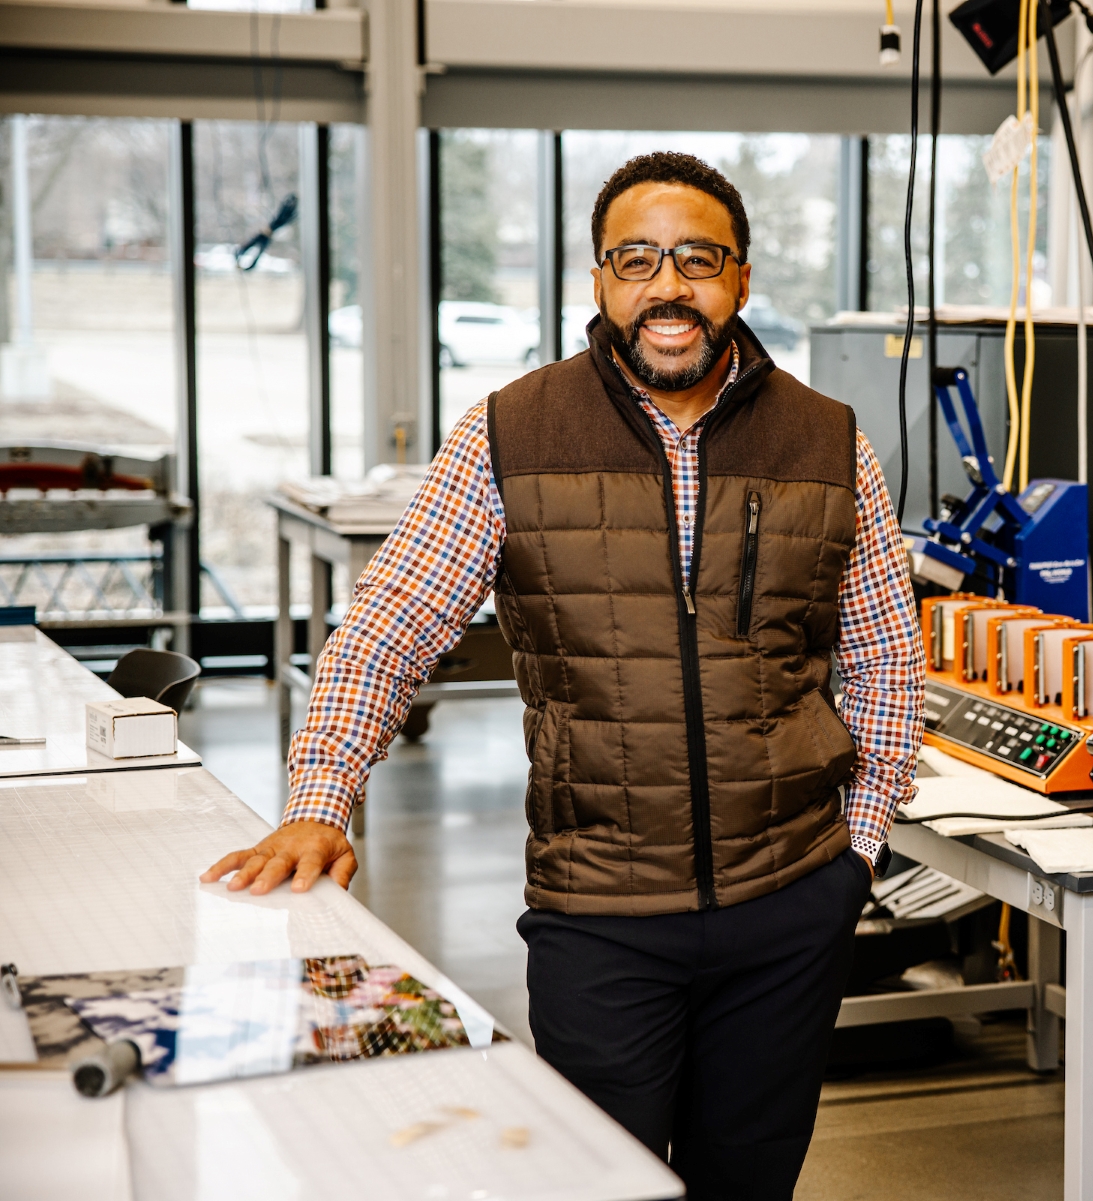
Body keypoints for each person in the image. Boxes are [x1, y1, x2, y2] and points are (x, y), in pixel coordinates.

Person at [203, 151, 924, 1199]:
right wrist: (323, 799)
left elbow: (886, 663)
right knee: (602, 1180)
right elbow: (387, 626)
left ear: (742, 279)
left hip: (791, 906)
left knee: (753, 1178)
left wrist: (853, 859)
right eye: (636, 259)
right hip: (601, 914)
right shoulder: (513, 431)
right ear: (598, 280)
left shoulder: (829, 441)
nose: (667, 286)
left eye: (697, 259)